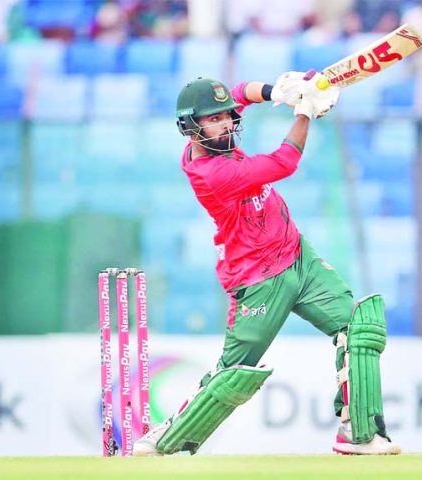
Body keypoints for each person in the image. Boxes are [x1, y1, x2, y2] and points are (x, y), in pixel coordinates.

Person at [132, 73, 401, 456]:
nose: (226, 124)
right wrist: (304, 111)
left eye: (227, 116)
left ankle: (359, 433)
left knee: (359, 327)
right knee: (234, 374)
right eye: (214, 119)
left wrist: (280, 92)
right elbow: (284, 162)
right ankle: (166, 439)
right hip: (257, 277)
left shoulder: (216, 136)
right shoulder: (212, 173)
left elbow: (240, 93)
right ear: (191, 128)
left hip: (297, 255)